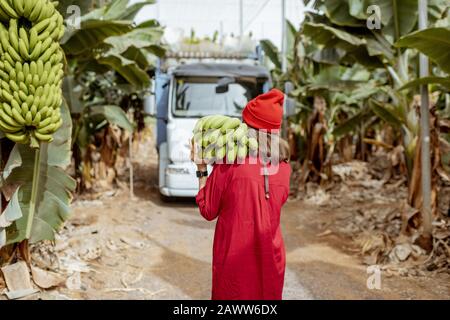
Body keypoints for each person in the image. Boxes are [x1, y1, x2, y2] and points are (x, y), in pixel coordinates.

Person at [191, 88, 291, 300]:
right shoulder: (284, 169)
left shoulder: (231, 164)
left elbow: (208, 210)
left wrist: (201, 169)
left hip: (235, 263)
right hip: (272, 260)